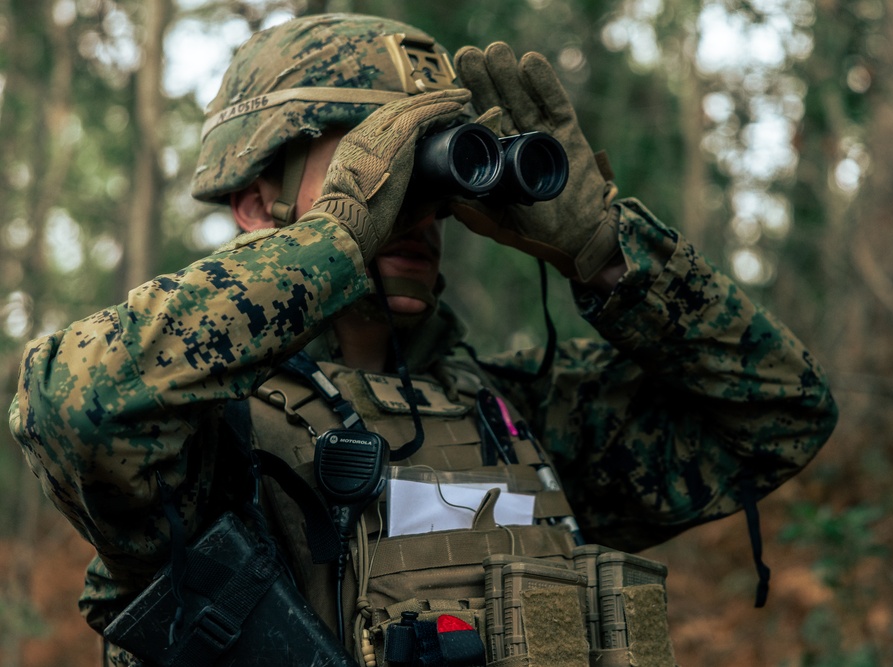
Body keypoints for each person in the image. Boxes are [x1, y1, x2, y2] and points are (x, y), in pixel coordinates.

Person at [8, 12, 837, 667]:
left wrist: (610, 257)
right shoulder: (208, 448)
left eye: (430, 169)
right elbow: (78, 405)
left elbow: (781, 411)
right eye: (377, 164)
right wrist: (335, 241)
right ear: (260, 203)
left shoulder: (518, 414)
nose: (416, 204)